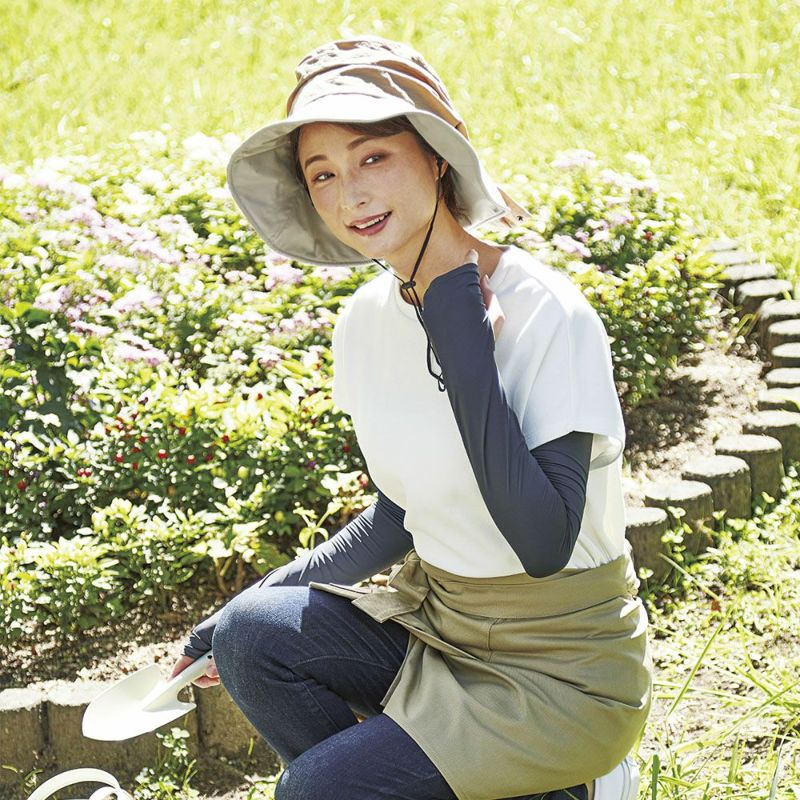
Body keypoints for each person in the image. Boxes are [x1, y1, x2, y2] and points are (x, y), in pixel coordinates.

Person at [170, 36, 652, 800]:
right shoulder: (366, 320)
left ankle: (577, 782)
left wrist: (462, 340)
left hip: (564, 673)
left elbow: (542, 543)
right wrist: (232, 611)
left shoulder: (546, 313)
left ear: (434, 157)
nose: (350, 195)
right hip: (442, 634)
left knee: (315, 792)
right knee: (251, 636)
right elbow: (398, 516)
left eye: (373, 158)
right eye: (323, 174)